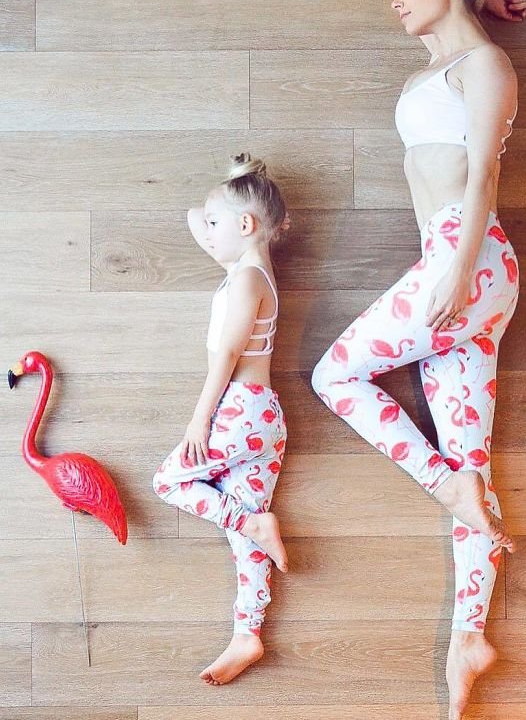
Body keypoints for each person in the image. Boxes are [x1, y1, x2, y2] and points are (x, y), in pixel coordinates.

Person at [311, 0, 526, 720]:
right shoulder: (446, 62)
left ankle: (446, 486)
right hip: (457, 268)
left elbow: (483, 180)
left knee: (335, 376)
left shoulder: (487, 66)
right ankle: (470, 637)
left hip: (466, 260)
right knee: (473, 463)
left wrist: (457, 271)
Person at [153, 152, 290, 685]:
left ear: (246, 226)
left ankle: (251, 523)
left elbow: (227, 356)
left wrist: (198, 421)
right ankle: (247, 633)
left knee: (168, 482)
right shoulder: (248, 270)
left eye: (216, 225)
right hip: (260, 417)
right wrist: (228, 196)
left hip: (238, 407)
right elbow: (195, 217)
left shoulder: (247, 280)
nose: (204, 232)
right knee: (246, 541)